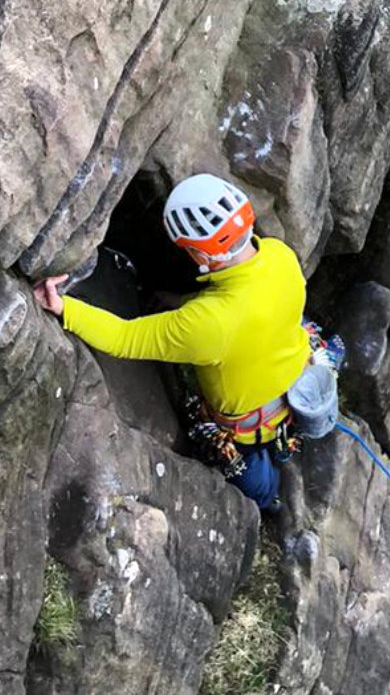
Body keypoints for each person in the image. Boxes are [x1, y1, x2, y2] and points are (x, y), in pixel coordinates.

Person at [34, 173, 311, 511]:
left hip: (244, 431)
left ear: (200, 254)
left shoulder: (207, 325)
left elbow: (125, 338)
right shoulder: (280, 255)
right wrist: (184, 302)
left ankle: (271, 501)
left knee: (261, 490)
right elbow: (244, 300)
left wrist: (64, 308)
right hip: (298, 383)